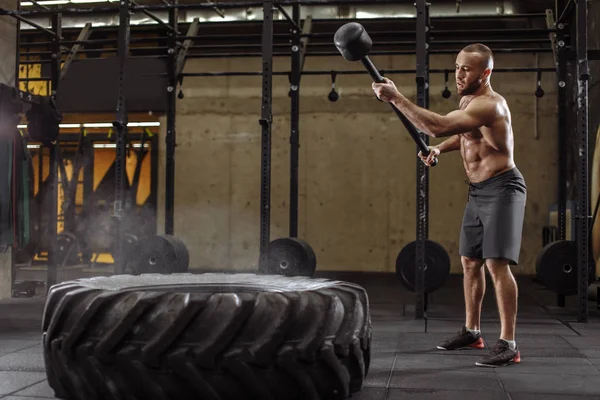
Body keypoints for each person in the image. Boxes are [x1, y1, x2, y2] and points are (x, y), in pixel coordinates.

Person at [372, 43, 526, 368]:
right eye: (456, 66)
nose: (458, 74)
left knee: (497, 265)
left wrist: (396, 98)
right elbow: (462, 134)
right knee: (470, 261)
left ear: (485, 73)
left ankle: (509, 343)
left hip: (503, 189)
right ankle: (472, 332)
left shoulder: (490, 105)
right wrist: (440, 149)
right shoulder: (469, 101)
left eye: (466, 69)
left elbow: (439, 125)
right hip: (478, 191)